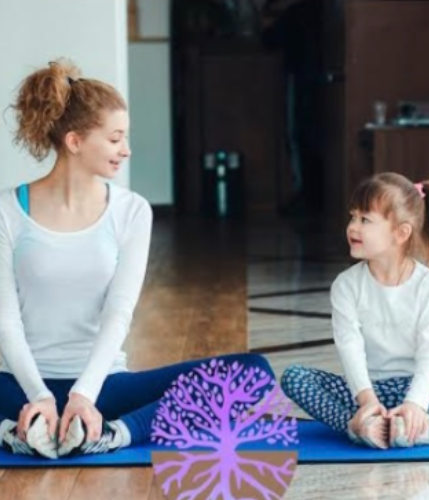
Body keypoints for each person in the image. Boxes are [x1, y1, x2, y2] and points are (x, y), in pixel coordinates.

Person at [0, 60, 273, 459]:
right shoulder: (6, 210)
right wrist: (39, 395)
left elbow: (119, 313)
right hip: (16, 389)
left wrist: (83, 396)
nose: (125, 150)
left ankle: (112, 433)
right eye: (114, 139)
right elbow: (5, 320)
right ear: (74, 142)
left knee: (254, 374)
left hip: (103, 390)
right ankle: (18, 430)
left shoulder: (132, 211)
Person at [281, 172, 429, 449]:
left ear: (401, 233)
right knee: (294, 377)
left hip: (420, 388)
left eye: (365, 220)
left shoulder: (428, 285)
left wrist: (416, 403)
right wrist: (368, 401)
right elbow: (350, 348)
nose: (352, 227)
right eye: (353, 217)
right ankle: (361, 424)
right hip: (368, 390)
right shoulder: (346, 286)